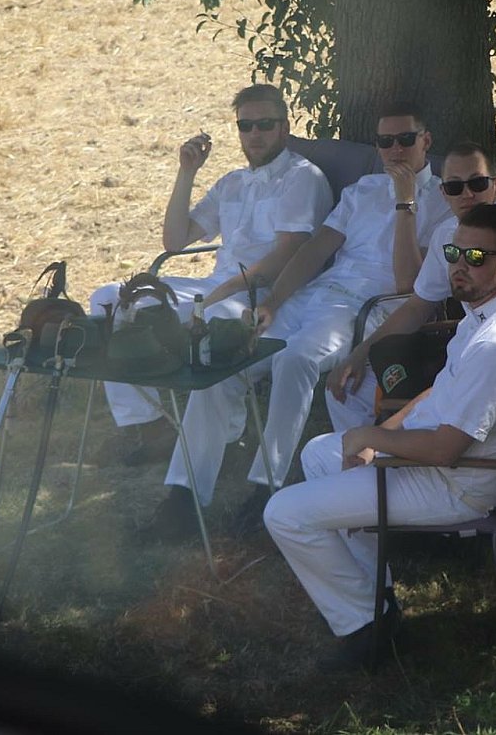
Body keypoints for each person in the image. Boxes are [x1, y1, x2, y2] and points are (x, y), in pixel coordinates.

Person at [263, 204, 496, 669]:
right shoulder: (488, 314)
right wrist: (380, 434)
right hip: (433, 462)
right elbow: (439, 391)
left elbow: (446, 449)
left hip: (456, 484)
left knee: (283, 513)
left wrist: (370, 437)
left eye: (476, 257)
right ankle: (378, 601)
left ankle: (363, 628)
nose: (460, 265)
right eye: (454, 253)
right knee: (319, 454)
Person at [148, 101, 447, 539]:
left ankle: (266, 486)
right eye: (385, 142)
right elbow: (314, 250)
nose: (395, 150)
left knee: (296, 359)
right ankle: (184, 493)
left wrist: (405, 202)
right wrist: (274, 301)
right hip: (319, 294)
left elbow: (408, 283)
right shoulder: (362, 190)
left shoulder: (442, 201)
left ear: (426, 141)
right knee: (229, 354)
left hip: (370, 307)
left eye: (405, 139)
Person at [89, 84, 331, 464]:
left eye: (265, 124)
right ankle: (150, 425)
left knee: (217, 318)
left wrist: (223, 292)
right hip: (216, 285)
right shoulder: (231, 182)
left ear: (284, 128)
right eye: (246, 125)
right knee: (109, 299)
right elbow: (175, 240)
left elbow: (288, 253)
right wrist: (186, 172)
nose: (255, 134)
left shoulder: (302, 177)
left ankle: (226, 437)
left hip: (266, 293)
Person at [324, 141, 496, 431]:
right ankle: (365, 453)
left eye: (478, 183)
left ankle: (385, 449)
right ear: (444, 193)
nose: (467, 194)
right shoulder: (448, 233)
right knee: (348, 388)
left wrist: (452, 379)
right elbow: (417, 306)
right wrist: (360, 353)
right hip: (462, 347)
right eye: (455, 187)